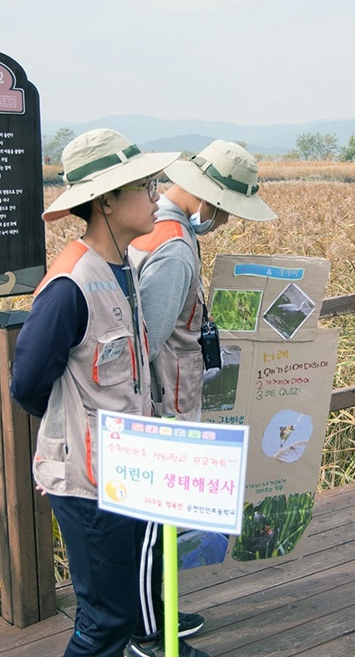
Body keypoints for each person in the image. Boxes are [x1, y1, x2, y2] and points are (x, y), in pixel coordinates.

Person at [9, 128, 208, 657]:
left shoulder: (123, 270)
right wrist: (69, 439)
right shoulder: (71, 285)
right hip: (88, 483)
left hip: (123, 473)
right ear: (106, 202)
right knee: (103, 624)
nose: (154, 195)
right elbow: (28, 382)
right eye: (142, 187)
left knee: (116, 616)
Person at [125, 140, 276, 655]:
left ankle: (158, 610)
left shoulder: (163, 231)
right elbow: (145, 340)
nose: (228, 222)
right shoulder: (172, 246)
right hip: (165, 399)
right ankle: (150, 632)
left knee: (161, 521)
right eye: (228, 210)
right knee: (155, 520)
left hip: (165, 393)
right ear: (207, 199)